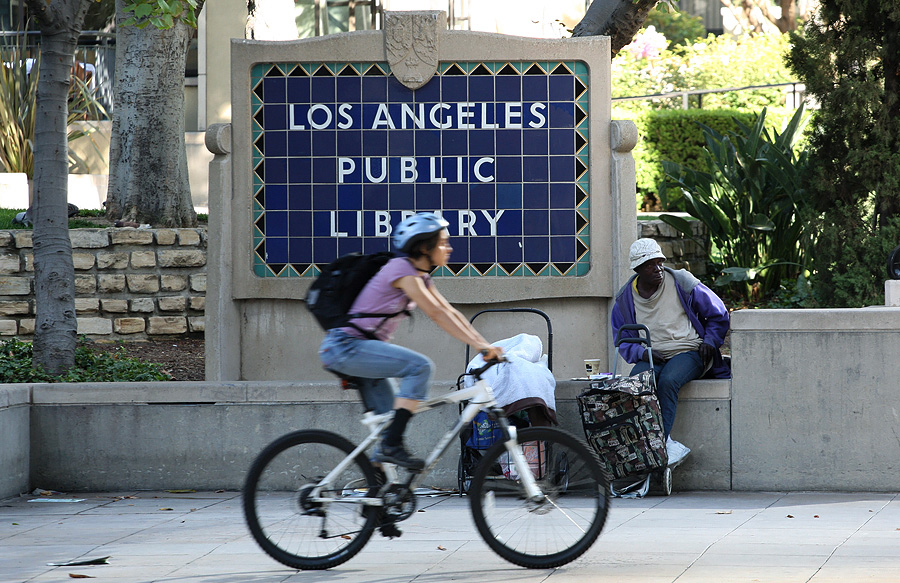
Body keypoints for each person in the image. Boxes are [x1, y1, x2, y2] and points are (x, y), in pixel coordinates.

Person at [318, 212, 504, 470]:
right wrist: (481, 347)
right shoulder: (401, 269)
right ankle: (391, 447)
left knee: (389, 426)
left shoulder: (420, 276)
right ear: (424, 247)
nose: (449, 248)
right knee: (420, 367)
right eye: (443, 243)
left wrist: (484, 345)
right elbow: (436, 314)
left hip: (360, 349)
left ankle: (379, 486)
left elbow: (449, 311)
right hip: (346, 347)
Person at [610, 238, 730, 467]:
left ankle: (658, 446)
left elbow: (719, 313)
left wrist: (710, 341)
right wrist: (642, 353)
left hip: (689, 351)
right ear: (637, 270)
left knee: (669, 380)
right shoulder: (624, 299)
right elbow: (622, 340)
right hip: (652, 355)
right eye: (650, 265)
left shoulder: (682, 282)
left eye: (660, 262)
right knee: (636, 384)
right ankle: (641, 445)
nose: (658, 269)